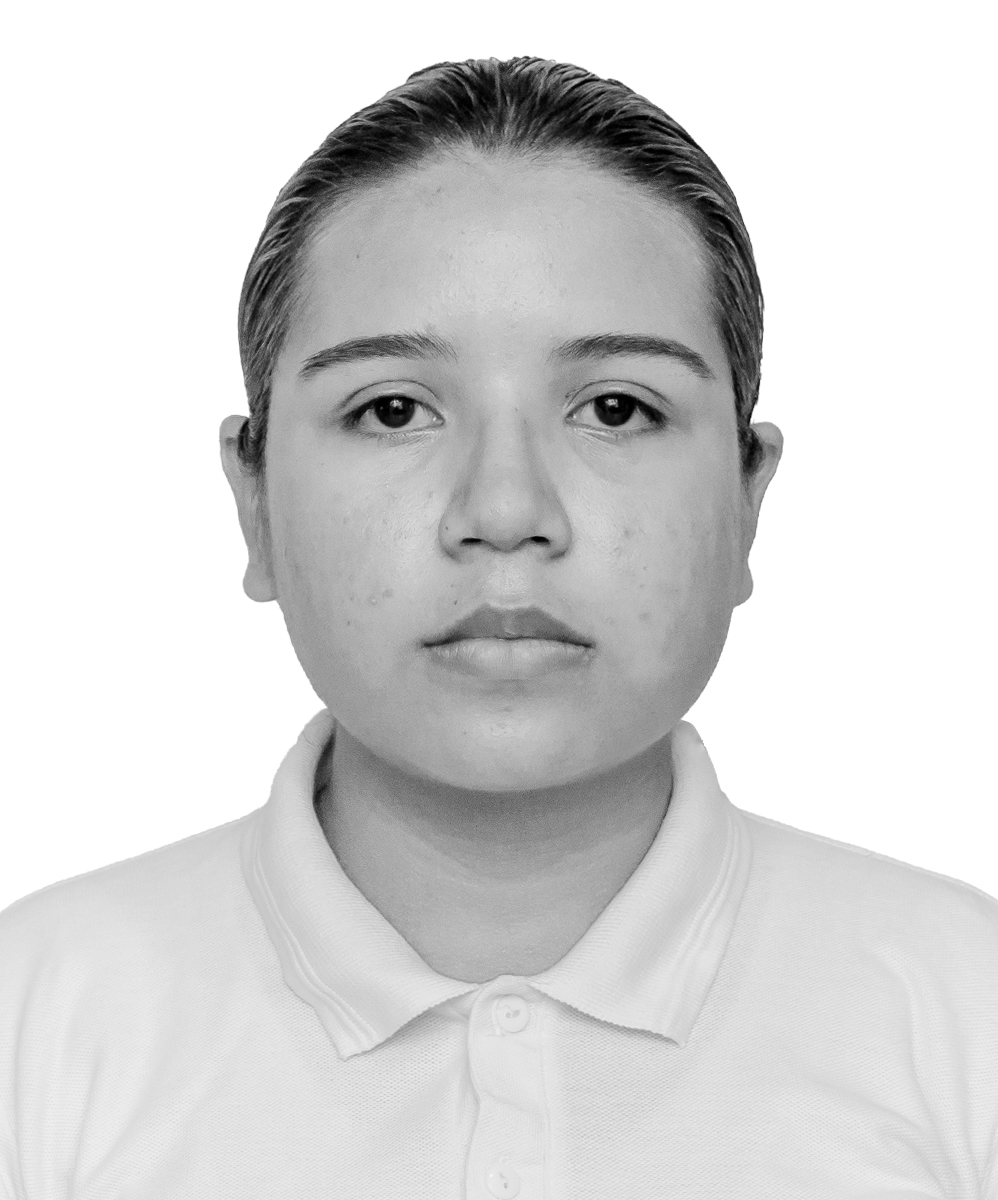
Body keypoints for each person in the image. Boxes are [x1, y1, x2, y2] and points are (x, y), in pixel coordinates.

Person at [1, 54, 995, 1199]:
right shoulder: (38, 1021)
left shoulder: (962, 1014)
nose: (506, 510)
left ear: (747, 499)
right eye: (391, 409)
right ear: (255, 500)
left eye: (615, 408)